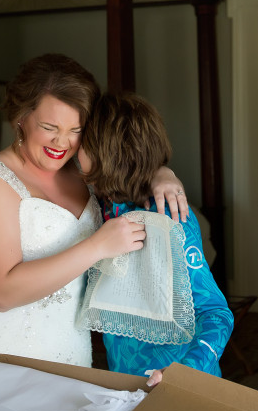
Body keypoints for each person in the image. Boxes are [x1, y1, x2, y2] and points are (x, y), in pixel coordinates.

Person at [0, 54, 188, 380]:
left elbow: (129, 167)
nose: (62, 142)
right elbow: (2, 293)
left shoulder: (80, 171)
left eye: (76, 129)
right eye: (49, 127)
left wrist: (161, 173)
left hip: (70, 352)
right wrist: (97, 247)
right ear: (20, 117)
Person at [77, 92, 234, 387]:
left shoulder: (170, 219)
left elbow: (215, 313)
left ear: (108, 152)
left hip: (177, 384)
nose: (74, 148)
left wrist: (186, 371)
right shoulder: (101, 206)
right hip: (123, 381)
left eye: (83, 140)